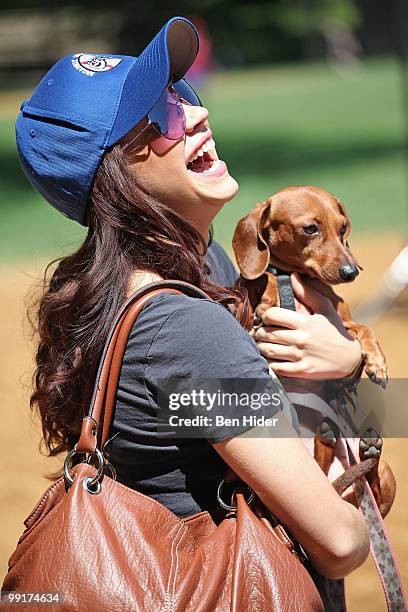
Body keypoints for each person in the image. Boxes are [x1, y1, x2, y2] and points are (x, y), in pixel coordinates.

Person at [17, 16, 369, 602]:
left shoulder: (166, 283)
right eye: (162, 117)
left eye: (184, 96)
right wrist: (345, 385)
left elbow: (196, 423)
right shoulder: (185, 328)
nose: (198, 115)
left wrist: (348, 365)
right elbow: (337, 541)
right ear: (117, 176)